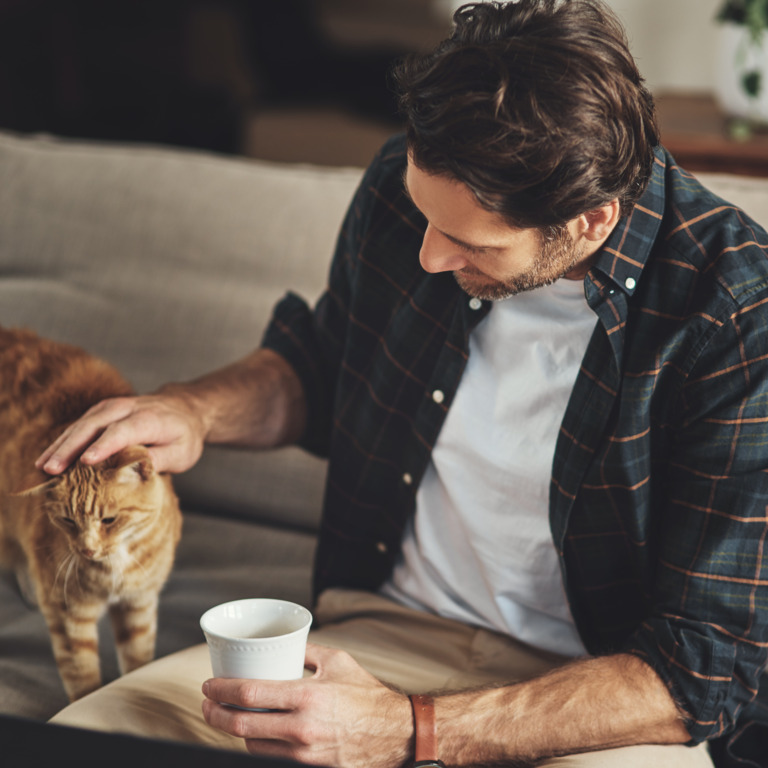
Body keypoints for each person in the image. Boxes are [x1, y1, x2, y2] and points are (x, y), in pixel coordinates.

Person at [37, 1, 768, 766]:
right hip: (376, 635)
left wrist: (409, 730)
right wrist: (192, 411)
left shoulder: (733, 312)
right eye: (426, 217)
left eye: (467, 240)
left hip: (591, 698)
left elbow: (699, 669)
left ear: (588, 221)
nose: (427, 256)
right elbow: (324, 365)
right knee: (83, 745)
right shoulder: (401, 180)